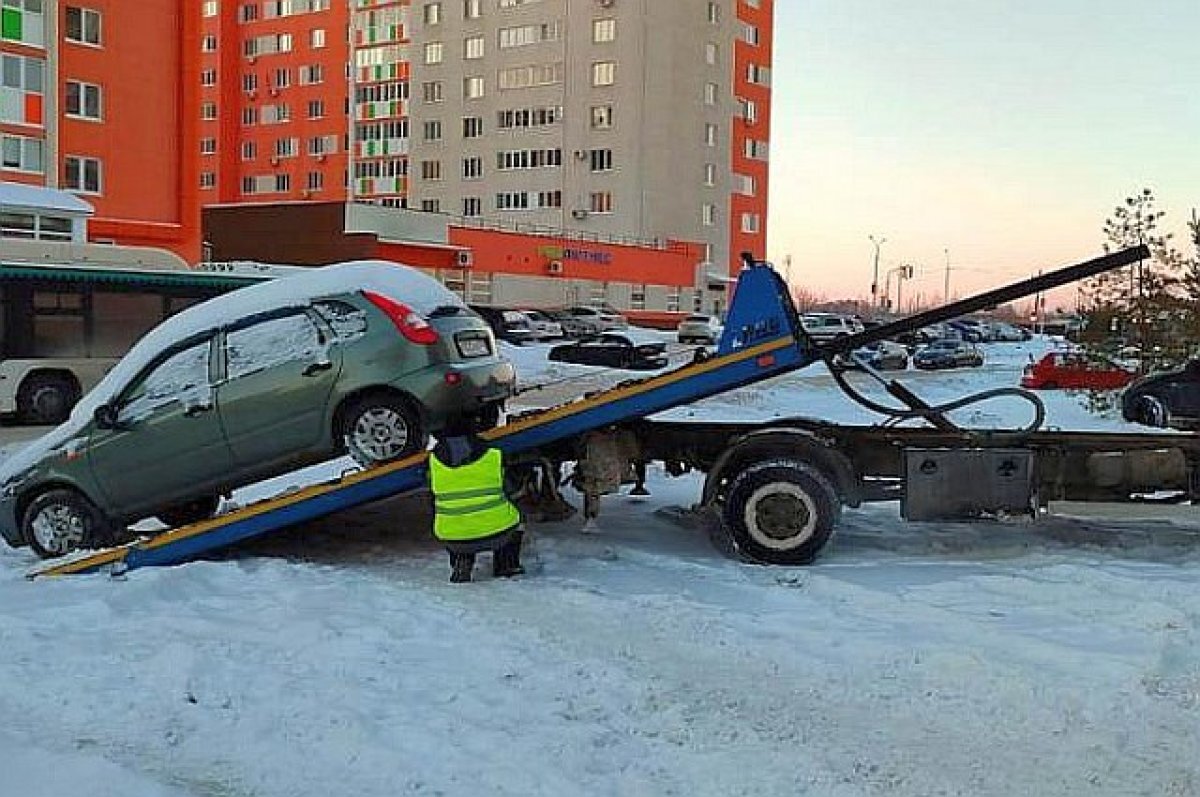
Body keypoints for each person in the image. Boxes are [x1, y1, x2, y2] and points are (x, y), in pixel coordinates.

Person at [427, 418, 525, 583]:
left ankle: (461, 559)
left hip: (453, 538)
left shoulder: (433, 462)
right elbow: (512, 489)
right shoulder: (493, 456)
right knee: (519, 519)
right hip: (498, 532)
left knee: (456, 520)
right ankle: (506, 565)